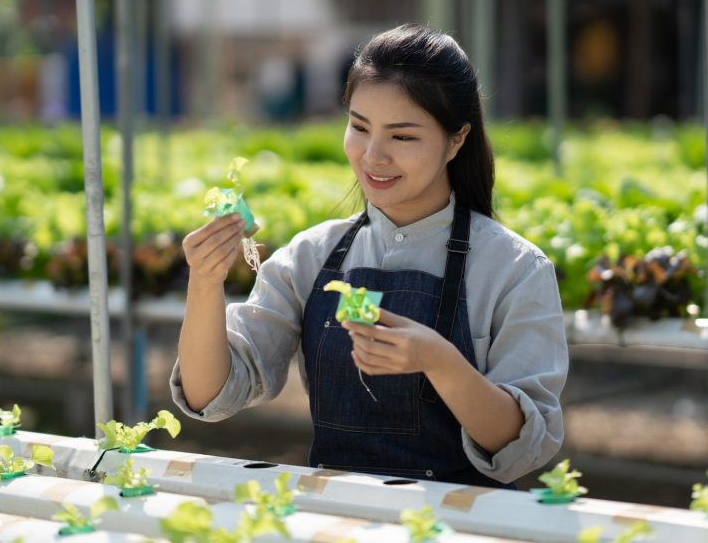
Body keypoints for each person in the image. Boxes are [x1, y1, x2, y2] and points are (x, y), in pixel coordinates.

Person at [171, 24, 568, 487]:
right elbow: (210, 395)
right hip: (341, 518)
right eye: (359, 127)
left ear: (456, 141)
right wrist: (204, 281)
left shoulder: (514, 269)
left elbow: (522, 446)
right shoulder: (311, 257)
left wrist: (440, 361)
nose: (373, 156)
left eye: (402, 137)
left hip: (456, 523)